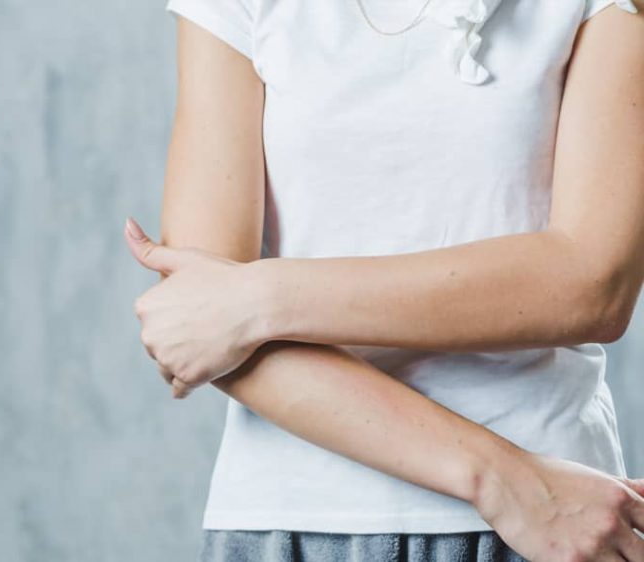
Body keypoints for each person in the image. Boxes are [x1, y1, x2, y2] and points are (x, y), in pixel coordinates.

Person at [126, 0, 644, 560]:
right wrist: (499, 476)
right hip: (302, 511)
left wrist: (261, 299)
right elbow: (202, 320)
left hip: (558, 524)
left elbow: (592, 287)